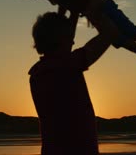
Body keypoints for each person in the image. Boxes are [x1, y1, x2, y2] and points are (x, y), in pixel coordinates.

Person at [29, 10, 117, 155]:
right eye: (69, 37)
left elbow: (62, 45)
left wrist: (75, 13)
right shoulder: (68, 65)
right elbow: (109, 33)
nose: (73, 40)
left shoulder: (37, 74)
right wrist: (93, 11)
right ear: (60, 39)